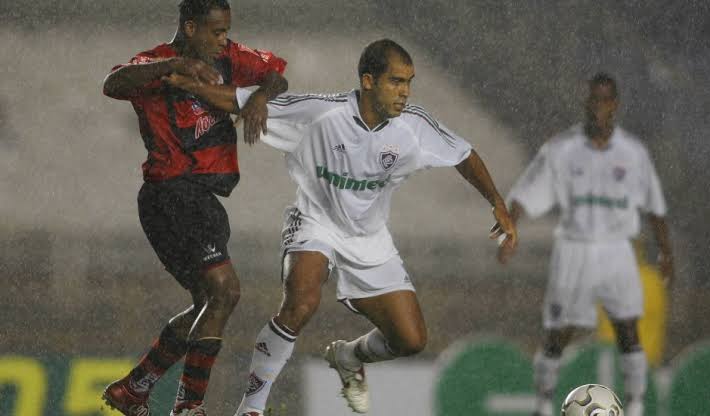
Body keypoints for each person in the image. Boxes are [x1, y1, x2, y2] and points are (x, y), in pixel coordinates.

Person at [163, 38, 517, 415]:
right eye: (396, 81)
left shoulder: (413, 127)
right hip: (315, 220)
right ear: (368, 80)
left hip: (369, 236)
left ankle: (348, 356)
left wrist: (496, 202)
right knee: (301, 301)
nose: (404, 92)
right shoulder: (320, 113)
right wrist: (188, 85)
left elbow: (464, 155)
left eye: (409, 82)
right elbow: (239, 99)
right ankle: (251, 407)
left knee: (411, 339)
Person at [100, 1, 287, 415]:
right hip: (170, 195)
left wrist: (260, 98)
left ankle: (134, 388)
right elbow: (113, 83)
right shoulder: (155, 63)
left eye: (226, 32)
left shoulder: (228, 57)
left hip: (201, 200)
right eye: (216, 32)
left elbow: (276, 74)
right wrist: (171, 68)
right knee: (224, 291)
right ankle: (188, 407)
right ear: (190, 28)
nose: (224, 40)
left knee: (212, 300)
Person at [498, 73, 674, 416]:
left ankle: (636, 403)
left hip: (616, 247)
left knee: (628, 328)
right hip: (574, 248)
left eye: (605, 100)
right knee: (558, 331)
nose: (598, 108)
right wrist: (511, 230)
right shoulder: (561, 150)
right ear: (586, 104)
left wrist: (666, 251)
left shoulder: (633, 153)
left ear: (615, 105)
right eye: (593, 100)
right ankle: (544, 402)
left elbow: (655, 207)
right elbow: (525, 193)